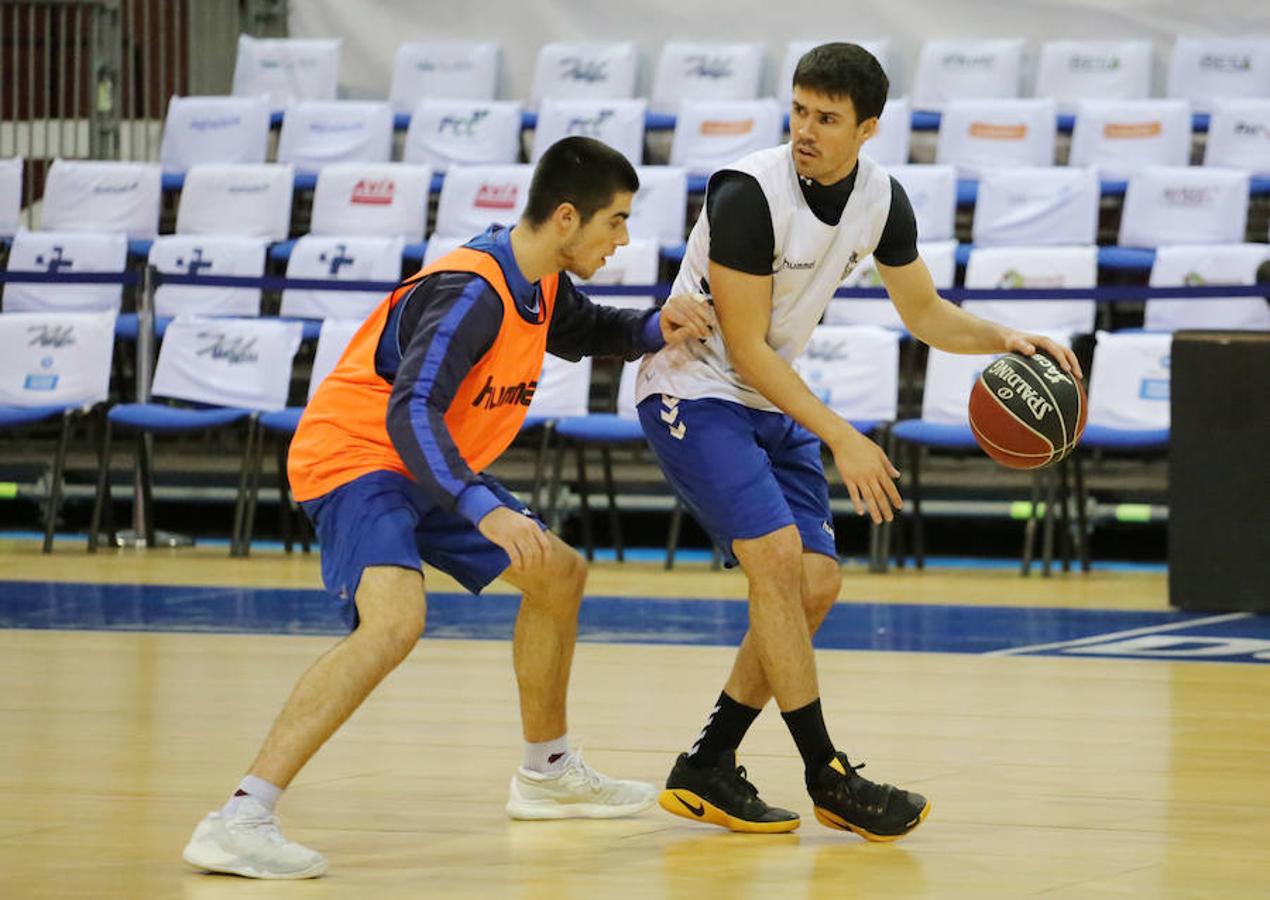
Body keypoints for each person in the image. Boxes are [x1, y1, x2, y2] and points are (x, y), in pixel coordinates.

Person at [182, 136, 716, 879]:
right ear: (567, 218)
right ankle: (240, 815)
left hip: (424, 467)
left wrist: (660, 325)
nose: (622, 240)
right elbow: (411, 410)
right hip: (358, 460)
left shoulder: (541, 283)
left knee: (557, 575)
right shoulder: (473, 291)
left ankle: (547, 773)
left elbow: (593, 330)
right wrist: (478, 505)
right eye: (615, 222)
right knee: (397, 621)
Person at [636, 43, 1083, 839]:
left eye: (828, 118)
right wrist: (843, 436)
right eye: (800, 111)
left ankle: (708, 765)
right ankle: (827, 774)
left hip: (770, 399)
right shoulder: (748, 192)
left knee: (813, 585)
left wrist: (1006, 339)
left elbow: (925, 313)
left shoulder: (883, 199)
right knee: (774, 560)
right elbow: (744, 347)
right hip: (694, 388)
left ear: (867, 128)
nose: (807, 129)